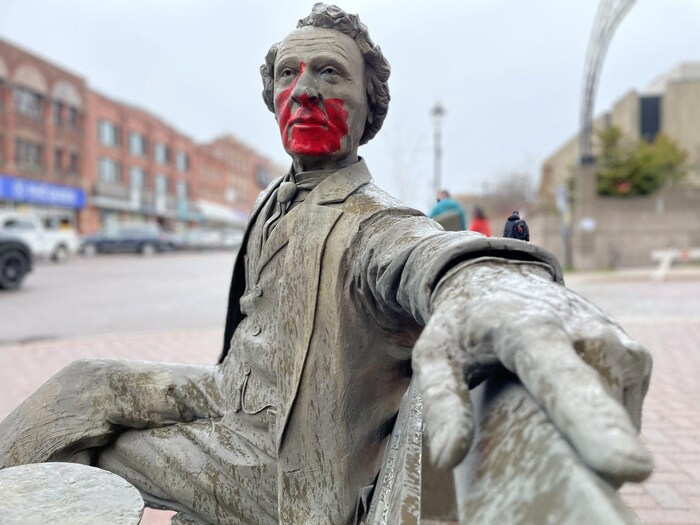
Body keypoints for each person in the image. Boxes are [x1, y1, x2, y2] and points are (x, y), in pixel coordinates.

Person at [0, 4, 652, 524]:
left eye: (330, 75)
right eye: (290, 74)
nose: (304, 91)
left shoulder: (373, 221)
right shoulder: (274, 199)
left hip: (287, 466)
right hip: (232, 396)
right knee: (86, 381)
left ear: (370, 109)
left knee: (89, 452)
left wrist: (513, 301)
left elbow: (435, 257)